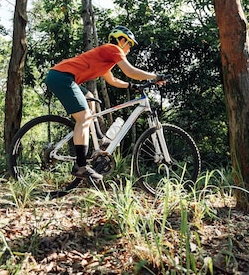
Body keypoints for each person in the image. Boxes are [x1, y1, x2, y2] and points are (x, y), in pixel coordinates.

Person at [45, 26, 165, 180]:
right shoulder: (112, 49)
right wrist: (155, 76)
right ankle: (80, 166)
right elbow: (131, 71)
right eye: (130, 44)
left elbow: (112, 80)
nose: (130, 48)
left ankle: (99, 137)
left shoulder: (106, 59)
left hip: (61, 77)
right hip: (62, 77)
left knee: (89, 97)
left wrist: (131, 86)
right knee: (84, 117)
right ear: (122, 40)